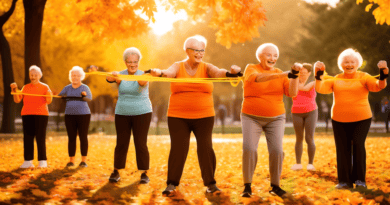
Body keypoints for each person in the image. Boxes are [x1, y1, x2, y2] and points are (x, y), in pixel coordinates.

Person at [149, 35, 241, 195]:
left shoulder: (206, 67)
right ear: (187, 51)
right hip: (178, 116)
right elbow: (169, 73)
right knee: (178, 149)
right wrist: (160, 72)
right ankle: (172, 184)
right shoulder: (178, 66)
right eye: (196, 50)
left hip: (204, 116)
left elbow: (218, 72)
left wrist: (231, 73)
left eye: (202, 50)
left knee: (205, 148)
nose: (200, 53)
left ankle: (211, 184)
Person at [315, 48, 388, 189]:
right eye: (346, 62)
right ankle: (344, 181)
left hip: (362, 118)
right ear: (341, 64)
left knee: (358, 146)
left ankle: (360, 180)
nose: (349, 64)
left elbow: (379, 86)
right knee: (342, 149)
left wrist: (383, 71)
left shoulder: (364, 76)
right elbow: (320, 89)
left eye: (352, 62)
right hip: (338, 119)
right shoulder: (336, 79)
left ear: (358, 63)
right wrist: (318, 74)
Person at [240, 43, 301, 198]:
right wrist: (283, 74)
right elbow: (258, 79)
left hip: (276, 118)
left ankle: (275, 185)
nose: (272, 58)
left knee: (277, 151)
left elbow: (292, 93)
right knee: (249, 149)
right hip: (251, 116)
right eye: (269, 55)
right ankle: (247, 186)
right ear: (260, 56)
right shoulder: (251, 68)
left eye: (275, 56)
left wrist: (294, 75)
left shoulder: (280, 73)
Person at [103, 47, 153, 184]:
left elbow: (142, 82)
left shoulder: (143, 75)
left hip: (142, 112)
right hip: (122, 113)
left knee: (140, 142)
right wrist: (113, 75)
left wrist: (137, 76)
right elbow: (109, 78)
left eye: (135, 61)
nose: (132, 64)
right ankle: (116, 171)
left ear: (138, 62)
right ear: (125, 62)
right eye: (130, 62)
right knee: (121, 143)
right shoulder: (121, 75)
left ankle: (144, 173)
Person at [10, 65, 53, 168]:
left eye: (35, 75)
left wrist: (49, 94)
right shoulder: (25, 87)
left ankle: (42, 161)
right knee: (28, 138)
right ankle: (28, 161)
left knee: (40, 138)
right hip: (27, 114)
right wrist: (15, 89)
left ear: (39, 75)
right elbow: (17, 100)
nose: (33, 77)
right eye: (31, 75)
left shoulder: (45, 87)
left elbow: (49, 101)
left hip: (41, 115)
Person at [58, 66, 92, 168]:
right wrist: (59, 96)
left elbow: (89, 99)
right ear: (70, 77)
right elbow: (60, 96)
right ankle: (71, 160)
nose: (75, 77)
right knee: (71, 137)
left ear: (81, 76)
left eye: (77, 75)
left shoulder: (85, 87)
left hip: (84, 115)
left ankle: (83, 161)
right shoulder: (67, 88)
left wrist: (84, 96)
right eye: (73, 75)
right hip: (69, 115)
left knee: (83, 137)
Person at [290, 63, 318, 171]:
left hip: (311, 112)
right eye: (300, 72)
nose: (301, 74)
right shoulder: (294, 81)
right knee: (299, 138)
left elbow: (305, 88)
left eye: (304, 73)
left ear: (309, 73)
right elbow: (291, 89)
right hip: (296, 112)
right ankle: (298, 164)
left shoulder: (313, 82)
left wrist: (295, 82)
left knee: (309, 138)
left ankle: (310, 164)